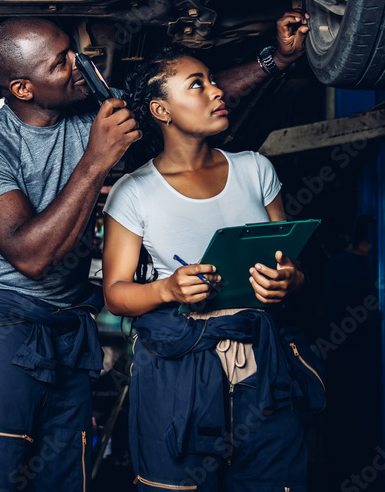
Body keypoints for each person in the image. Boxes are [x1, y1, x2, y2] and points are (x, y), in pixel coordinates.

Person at [0, 13, 308, 492]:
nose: (79, 64)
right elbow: (29, 257)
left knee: (62, 474)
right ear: (23, 88)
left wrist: (276, 60)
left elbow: (183, 100)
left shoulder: (93, 112)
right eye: (60, 63)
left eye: (72, 49)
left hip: (69, 326)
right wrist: (98, 158)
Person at [101, 42, 313, 490]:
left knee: (272, 480)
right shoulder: (133, 192)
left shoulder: (255, 169)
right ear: (162, 110)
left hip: (263, 363)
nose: (216, 92)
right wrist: (167, 290)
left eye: (213, 81)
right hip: (180, 369)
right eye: (197, 85)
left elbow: (294, 265)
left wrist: (288, 282)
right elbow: (116, 294)